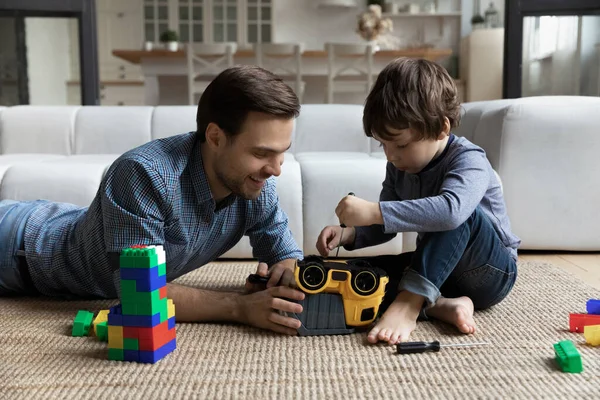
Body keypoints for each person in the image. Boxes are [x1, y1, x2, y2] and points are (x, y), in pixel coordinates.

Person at [0, 65, 306, 336]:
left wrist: (283, 276)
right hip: (18, 249)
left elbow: (285, 254)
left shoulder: (254, 184)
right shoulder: (145, 174)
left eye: (282, 152)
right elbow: (140, 294)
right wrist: (240, 307)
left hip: (59, 229)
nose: (276, 170)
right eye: (261, 153)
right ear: (215, 137)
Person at [316, 58, 521, 345]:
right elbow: (385, 223)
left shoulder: (469, 159)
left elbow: (452, 213)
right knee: (365, 275)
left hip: (490, 271)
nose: (390, 155)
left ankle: (409, 303)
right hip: (439, 269)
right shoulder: (400, 166)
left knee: (456, 212)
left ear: (441, 129)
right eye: (383, 144)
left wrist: (373, 210)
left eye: (400, 145)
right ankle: (442, 305)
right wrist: (349, 233)